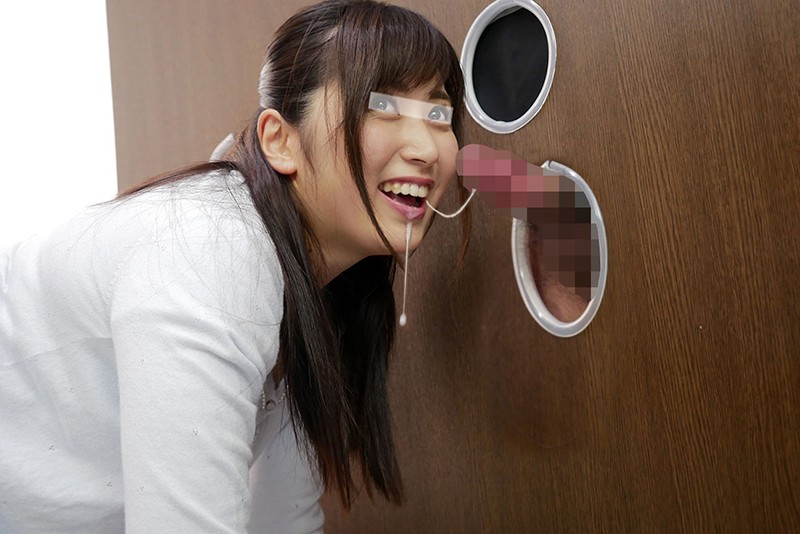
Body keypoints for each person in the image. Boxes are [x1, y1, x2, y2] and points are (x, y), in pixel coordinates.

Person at [0, 0, 471, 532]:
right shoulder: (208, 254)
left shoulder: (318, 280)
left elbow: (284, 516)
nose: (426, 148)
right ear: (280, 141)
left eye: (438, 115)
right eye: (381, 106)